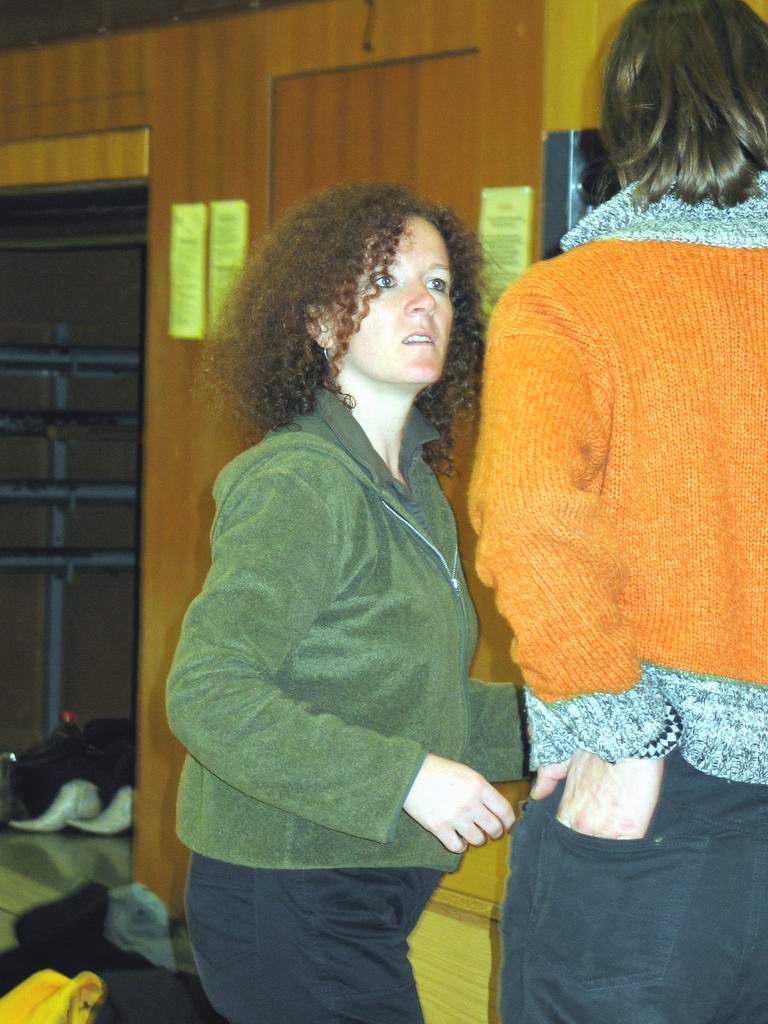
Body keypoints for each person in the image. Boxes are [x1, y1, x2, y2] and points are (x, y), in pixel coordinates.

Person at [469, 1, 768, 1021]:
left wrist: (621, 733)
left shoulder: (568, 301)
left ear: (628, 118)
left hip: (660, 804)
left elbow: (530, 520)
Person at [166, 181, 523, 1024]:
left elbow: (412, 703)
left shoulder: (414, 488)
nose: (422, 303)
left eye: (438, 284)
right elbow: (208, 694)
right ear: (322, 323)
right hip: (286, 894)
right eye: (384, 282)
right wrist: (405, 779)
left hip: (353, 894)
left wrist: (578, 722)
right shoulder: (300, 482)